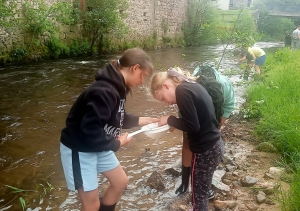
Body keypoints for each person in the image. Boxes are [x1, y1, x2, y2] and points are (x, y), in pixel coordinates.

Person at [60, 48, 159, 211]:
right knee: (92, 205)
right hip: (80, 148)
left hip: (98, 143)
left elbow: (119, 117)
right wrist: (117, 144)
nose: (142, 81)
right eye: (143, 76)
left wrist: (148, 120)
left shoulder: (118, 88)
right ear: (135, 68)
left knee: (120, 182)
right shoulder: (103, 90)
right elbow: (89, 129)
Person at [151, 67, 224, 211]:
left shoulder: (181, 91)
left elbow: (193, 127)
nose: (167, 103)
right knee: (202, 192)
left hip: (205, 150)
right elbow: (197, 119)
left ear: (166, 86)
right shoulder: (191, 84)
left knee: (198, 197)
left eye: (163, 98)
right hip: (215, 145)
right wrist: (176, 122)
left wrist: (170, 119)